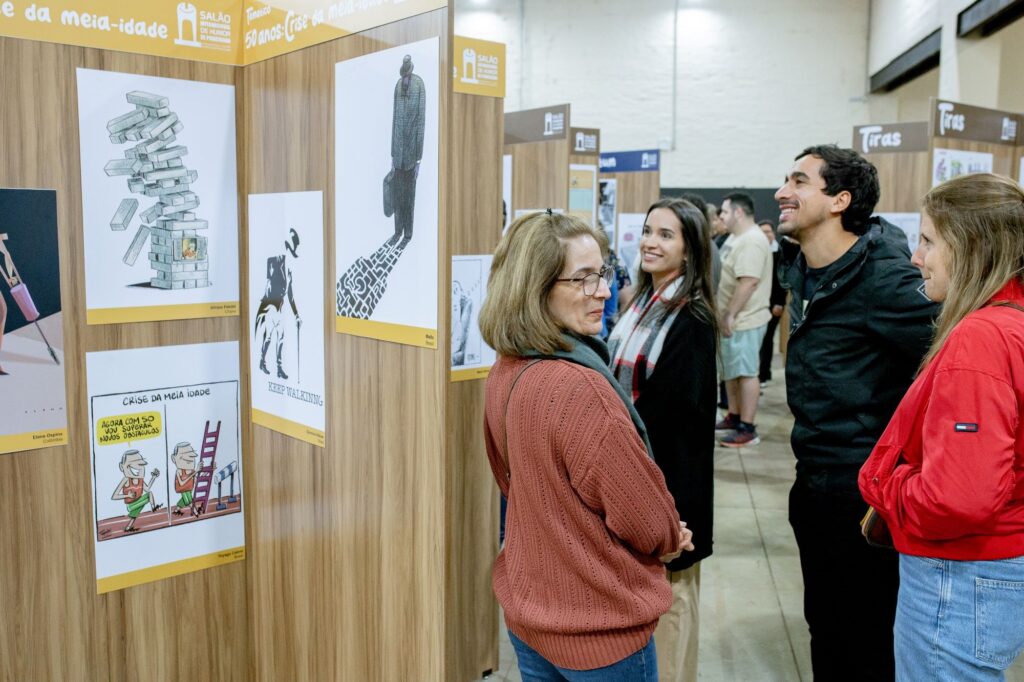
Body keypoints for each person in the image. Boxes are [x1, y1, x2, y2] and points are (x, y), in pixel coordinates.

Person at [479, 211, 692, 681]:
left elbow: (515, 485)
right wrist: (670, 536)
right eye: (582, 279)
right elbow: (646, 521)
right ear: (534, 289)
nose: (603, 290)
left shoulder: (506, 371)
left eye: (604, 272)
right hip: (599, 630)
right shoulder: (580, 388)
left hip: (531, 615)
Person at [776, 144, 938, 680]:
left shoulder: (886, 280)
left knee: (866, 637)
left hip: (864, 493)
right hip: (814, 483)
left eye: (799, 182)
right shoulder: (804, 269)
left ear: (840, 200)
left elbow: (952, 363)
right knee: (825, 626)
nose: (783, 192)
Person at [859, 173, 1024, 680]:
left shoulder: (982, 338)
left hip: (959, 575)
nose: (915, 257)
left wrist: (891, 485)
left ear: (970, 247)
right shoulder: (1011, 322)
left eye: (928, 241)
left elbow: (960, 498)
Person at [608, 199, 718, 682]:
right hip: (636, 475)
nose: (651, 242)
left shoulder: (691, 319)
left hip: (671, 488)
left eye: (666, 235)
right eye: (649, 231)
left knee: (671, 607)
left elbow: (673, 419)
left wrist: (663, 515)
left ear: (690, 251)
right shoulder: (642, 303)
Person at [715, 192, 772, 447]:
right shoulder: (736, 239)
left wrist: (730, 314)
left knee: (747, 372)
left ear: (739, 212)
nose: (721, 217)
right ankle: (734, 416)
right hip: (733, 321)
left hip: (744, 319)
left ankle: (748, 428)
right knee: (732, 372)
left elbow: (748, 281)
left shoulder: (752, 240)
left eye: (725, 212)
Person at [389, 54, 426, 246]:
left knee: (409, 197)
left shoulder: (419, 86)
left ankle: (408, 234)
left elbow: (421, 122)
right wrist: (392, 155)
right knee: (397, 196)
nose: (404, 78)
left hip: (412, 155)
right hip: (398, 155)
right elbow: (394, 120)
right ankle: (397, 231)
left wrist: (419, 159)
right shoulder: (397, 86)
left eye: (407, 74)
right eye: (403, 75)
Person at [255, 229, 301, 380]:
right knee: (268, 337)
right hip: (270, 306)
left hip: (280, 308)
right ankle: (262, 361)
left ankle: (279, 368)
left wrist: (296, 316)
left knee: (280, 337)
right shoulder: (273, 262)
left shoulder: (289, 272)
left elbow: (291, 295)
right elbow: (268, 284)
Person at [756, 219, 786, 385]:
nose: (765, 235)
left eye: (768, 231)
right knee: (759, 338)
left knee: (767, 338)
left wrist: (779, 303)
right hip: (758, 302)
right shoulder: (756, 250)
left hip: (774, 303)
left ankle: (764, 373)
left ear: (773, 233)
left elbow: (782, 281)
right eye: (762, 232)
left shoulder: (780, 252)